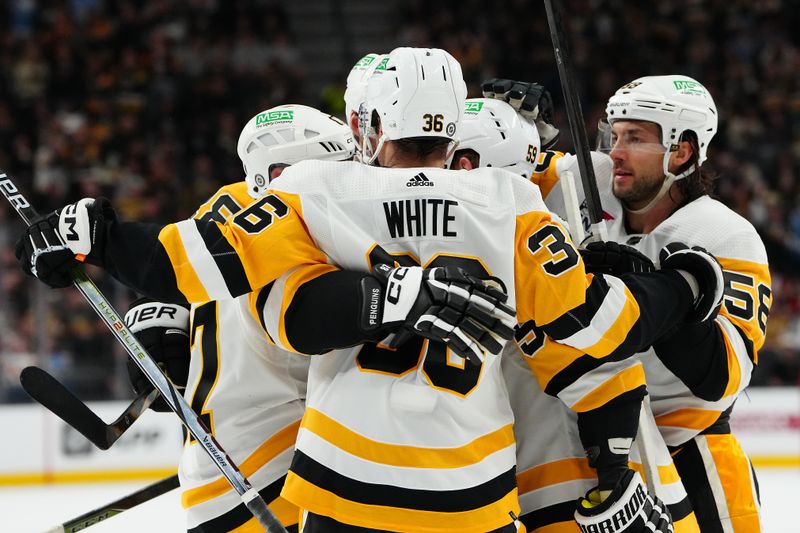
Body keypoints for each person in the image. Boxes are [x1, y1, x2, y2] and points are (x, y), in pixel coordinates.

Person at [17, 48, 724, 532]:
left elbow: (185, 262)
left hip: (339, 477)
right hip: (471, 492)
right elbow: (595, 332)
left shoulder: (315, 188)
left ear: (369, 121)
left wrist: (90, 233)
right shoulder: (511, 202)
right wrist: (684, 286)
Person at [518, 75, 769, 531]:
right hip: (594, 451)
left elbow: (723, 376)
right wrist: (515, 130)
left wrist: (659, 296)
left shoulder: (723, 234)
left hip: (690, 453)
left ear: (683, 151)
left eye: (635, 138)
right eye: (614, 135)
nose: (616, 150)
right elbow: (497, 179)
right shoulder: (586, 180)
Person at [452, 97, 700, 532]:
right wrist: (686, 285)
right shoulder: (525, 247)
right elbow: (604, 346)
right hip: (560, 467)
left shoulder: (373, 230)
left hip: (450, 476)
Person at [123, 104, 356, 533]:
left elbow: (176, 279)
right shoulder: (300, 228)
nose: (350, 178)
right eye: (338, 165)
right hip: (283, 464)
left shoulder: (218, 208)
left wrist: (156, 324)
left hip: (213, 468)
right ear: (284, 172)